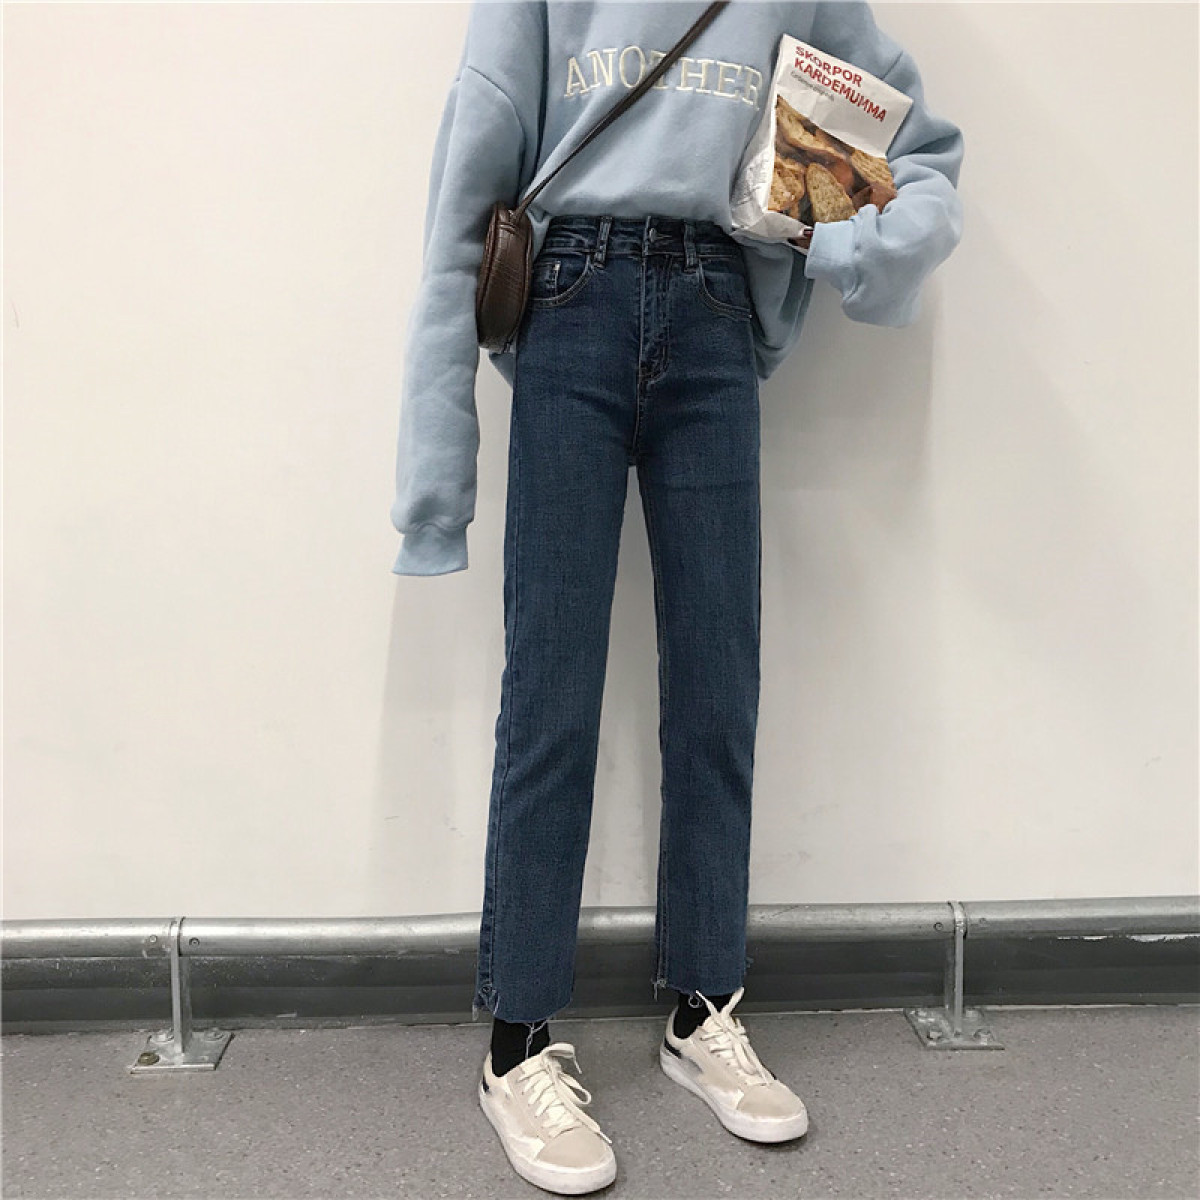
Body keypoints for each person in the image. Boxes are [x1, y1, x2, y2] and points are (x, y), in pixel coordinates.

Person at [391, 1, 964, 1192]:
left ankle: (704, 1005)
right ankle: (518, 1041)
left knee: (718, 683)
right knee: (550, 691)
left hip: (713, 310)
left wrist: (850, 244)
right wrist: (435, 487)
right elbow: (463, 205)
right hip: (569, 305)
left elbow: (917, 148)